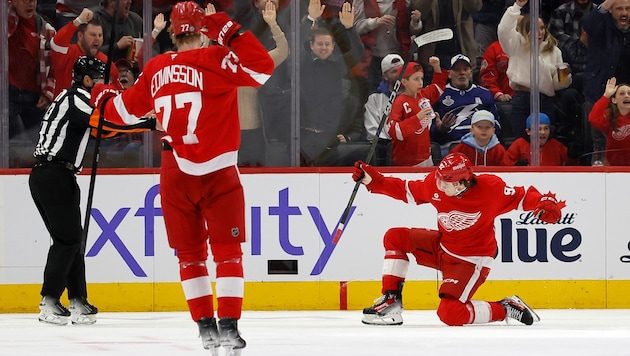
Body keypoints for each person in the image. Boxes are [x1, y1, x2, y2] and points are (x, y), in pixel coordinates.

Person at [90, 2, 274, 353]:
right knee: (228, 253)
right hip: (219, 170)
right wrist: (223, 24)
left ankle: (205, 328)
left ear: (173, 34)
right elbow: (262, 67)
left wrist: (103, 97)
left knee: (189, 255)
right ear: (201, 31)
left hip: (176, 171)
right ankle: (229, 327)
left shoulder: (157, 67)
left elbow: (123, 112)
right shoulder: (216, 60)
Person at [351, 152, 566, 327]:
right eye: (439, 179)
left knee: (450, 313)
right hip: (443, 246)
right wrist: (375, 181)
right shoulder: (437, 185)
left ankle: (506, 307)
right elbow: (407, 191)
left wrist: (545, 203)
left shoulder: (491, 188)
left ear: (463, 182)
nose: (440, 186)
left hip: (471, 260)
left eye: (447, 182)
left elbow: (523, 196)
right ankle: (391, 302)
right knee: (395, 237)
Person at [30, 56, 157, 326]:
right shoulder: (76, 97)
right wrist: (145, 124)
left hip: (55, 175)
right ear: (87, 79)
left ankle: (78, 301)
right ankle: (49, 301)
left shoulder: (74, 100)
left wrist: (140, 124)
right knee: (68, 241)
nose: (101, 84)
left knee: (73, 239)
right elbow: (104, 124)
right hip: (54, 175)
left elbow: (102, 132)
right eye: (98, 79)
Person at [299, 6, 366, 166]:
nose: (323, 47)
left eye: (327, 44)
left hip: (330, 137)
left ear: (333, 46)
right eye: (320, 44)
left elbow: (357, 54)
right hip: (304, 136)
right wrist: (310, 20)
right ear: (311, 45)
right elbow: (295, 48)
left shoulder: (339, 64)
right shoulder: (303, 63)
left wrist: (349, 28)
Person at [498, 0, 572, 140]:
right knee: (521, 141)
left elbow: (557, 84)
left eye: (542, 28)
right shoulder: (517, 44)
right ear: (525, 30)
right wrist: (517, 6)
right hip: (521, 98)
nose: (540, 32)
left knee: (545, 143)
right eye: (534, 28)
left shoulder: (554, 51)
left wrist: (564, 77)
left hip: (545, 101)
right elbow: (503, 30)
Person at [583, 0, 630, 165]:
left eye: (628, 8)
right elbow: (588, 25)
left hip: (626, 95)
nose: (624, 13)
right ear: (610, 10)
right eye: (619, 9)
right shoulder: (601, 25)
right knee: (600, 143)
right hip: (599, 92)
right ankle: (598, 176)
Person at [431, 54, 500, 157]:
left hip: (482, 146)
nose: (462, 73)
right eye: (457, 70)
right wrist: (441, 129)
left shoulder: (485, 94)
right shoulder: (439, 94)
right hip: (450, 146)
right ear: (449, 74)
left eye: (465, 69)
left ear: (470, 73)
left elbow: (497, 127)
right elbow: (431, 134)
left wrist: (484, 124)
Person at [8, 0, 56, 144]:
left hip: (34, 97)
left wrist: (48, 93)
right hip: (8, 94)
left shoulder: (48, 31)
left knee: (39, 143)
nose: (30, 4)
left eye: (33, 0)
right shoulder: (5, 21)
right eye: (25, 0)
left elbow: (55, 68)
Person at [352, 0, 423, 93]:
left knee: (401, 91)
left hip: (398, 55)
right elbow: (355, 28)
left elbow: (410, 31)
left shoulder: (405, 2)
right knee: (374, 92)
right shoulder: (362, 1)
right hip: (371, 57)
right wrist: (376, 22)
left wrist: (416, 22)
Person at [50, 8, 122, 97]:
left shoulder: (107, 62)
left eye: (100, 35)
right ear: (80, 36)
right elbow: (56, 43)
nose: (97, 39)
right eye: (92, 35)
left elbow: (119, 92)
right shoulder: (67, 54)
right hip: (67, 108)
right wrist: (78, 21)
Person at [387, 58, 446, 166]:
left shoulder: (422, 95)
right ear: (404, 81)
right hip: (406, 161)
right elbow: (393, 131)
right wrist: (417, 118)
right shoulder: (399, 102)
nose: (421, 83)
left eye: (421, 78)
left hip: (426, 157)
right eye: (416, 79)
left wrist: (436, 67)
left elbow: (439, 88)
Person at [362, 53, 404, 166]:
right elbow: (372, 131)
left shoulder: (415, 96)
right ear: (385, 76)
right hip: (384, 152)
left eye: (401, 70)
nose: (399, 74)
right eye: (394, 71)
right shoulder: (374, 99)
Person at [588, 77, 630, 165]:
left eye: (629, 93)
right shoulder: (610, 117)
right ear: (614, 100)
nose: (626, 95)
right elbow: (593, 118)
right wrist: (606, 96)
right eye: (622, 94)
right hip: (613, 167)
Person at [506, 113, 577, 165]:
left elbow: (571, 165)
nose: (543, 132)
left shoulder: (556, 145)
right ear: (528, 131)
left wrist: (572, 156)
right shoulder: (519, 144)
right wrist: (516, 166)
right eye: (538, 129)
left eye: (546, 128)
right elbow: (506, 164)